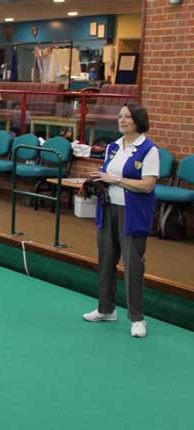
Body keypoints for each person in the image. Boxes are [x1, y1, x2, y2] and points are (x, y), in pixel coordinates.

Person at [83, 104, 159, 338]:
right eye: (120, 116)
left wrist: (114, 179)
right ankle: (106, 309)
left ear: (138, 121)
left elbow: (147, 185)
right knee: (106, 261)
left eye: (127, 117)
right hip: (108, 210)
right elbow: (107, 174)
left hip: (132, 214)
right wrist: (98, 179)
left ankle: (137, 319)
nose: (122, 120)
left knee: (133, 266)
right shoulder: (113, 147)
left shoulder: (149, 149)